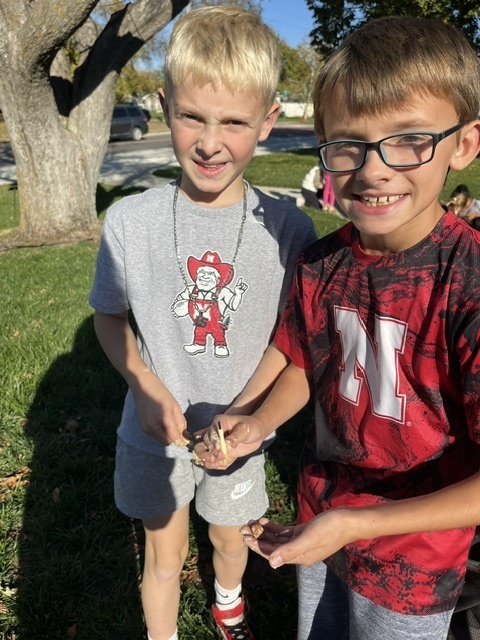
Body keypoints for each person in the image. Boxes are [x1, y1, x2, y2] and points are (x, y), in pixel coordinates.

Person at [196, 15, 480, 640]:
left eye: (409, 140)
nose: (374, 170)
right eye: (349, 144)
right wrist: (259, 422)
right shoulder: (322, 265)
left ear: (464, 144)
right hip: (321, 518)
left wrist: (357, 524)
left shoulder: (467, 280)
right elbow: (306, 363)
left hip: (416, 555)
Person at [88, 6, 317, 640]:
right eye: (192, 115)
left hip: (238, 432)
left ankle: (228, 604)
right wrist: (146, 387)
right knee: (163, 555)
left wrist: (246, 413)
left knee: (228, 537)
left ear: (267, 122)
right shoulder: (129, 223)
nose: (210, 142)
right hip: (151, 430)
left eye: (235, 122)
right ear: (164, 106)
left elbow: (292, 342)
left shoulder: (290, 230)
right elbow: (110, 319)